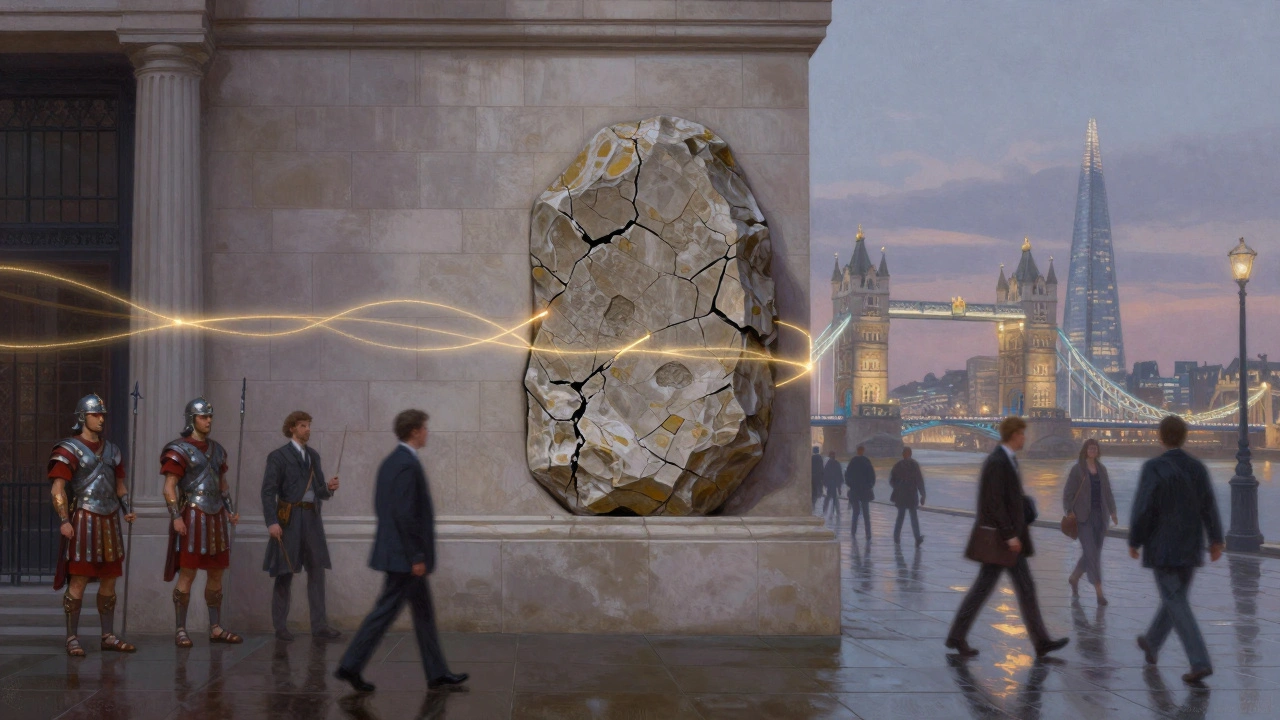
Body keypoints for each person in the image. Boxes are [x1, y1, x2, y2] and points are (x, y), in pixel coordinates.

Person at [335, 409, 467, 693]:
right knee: (384, 612)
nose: (427, 433)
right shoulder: (406, 464)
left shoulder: (391, 462)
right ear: (415, 431)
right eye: (425, 428)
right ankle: (350, 665)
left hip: (398, 553)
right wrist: (416, 557)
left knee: (423, 613)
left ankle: (437, 672)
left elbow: (386, 508)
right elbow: (405, 514)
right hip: (405, 558)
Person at [944, 416, 1069, 659]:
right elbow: (994, 503)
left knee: (1024, 588)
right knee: (987, 589)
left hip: (1010, 540)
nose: (1025, 438)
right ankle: (957, 636)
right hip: (1002, 541)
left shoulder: (1009, 460)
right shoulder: (997, 461)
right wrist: (1010, 535)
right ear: (1014, 435)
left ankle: (1041, 641)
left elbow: (1008, 498)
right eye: (1022, 434)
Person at [1129, 415, 1224, 685]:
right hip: (1191, 545)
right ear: (1184, 437)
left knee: (1175, 600)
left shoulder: (1154, 467)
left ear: (1161, 437)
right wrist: (1216, 539)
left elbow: (1144, 507)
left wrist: (1135, 540)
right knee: (1175, 597)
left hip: (1163, 546)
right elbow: (1209, 505)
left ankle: (1200, 661)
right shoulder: (1197, 468)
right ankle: (1152, 642)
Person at [47, 394, 137, 656]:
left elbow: (120, 487)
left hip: (110, 521)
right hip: (84, 519)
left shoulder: (113, 450)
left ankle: (107, 635)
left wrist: (127, 510)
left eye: (102, 415)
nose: (100, 419)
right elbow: (58, 489)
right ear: (82, 417)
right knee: (80, 580)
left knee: (109, 580)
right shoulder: (68, 449)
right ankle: (72, 637)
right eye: (95, 414)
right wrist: (64, 519)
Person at [162, 397, 242, 647]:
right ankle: (180, 629)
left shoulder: (218, 450)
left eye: (210, 416)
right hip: (192, 515)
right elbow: (169, 487)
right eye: (203, 417)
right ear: (191, 419)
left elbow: (222, 485)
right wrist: (176, 516)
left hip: (216, 516)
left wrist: (230, 510)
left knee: (216, 573)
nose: (208, 420)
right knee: (187, 573)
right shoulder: (178, 449)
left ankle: (215, 627)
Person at [261, 411, 342, 641]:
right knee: (285, 573)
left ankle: (320, 626)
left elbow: (319, 491)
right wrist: (272, 522)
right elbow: (268, 493)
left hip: (312, 521)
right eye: (303, 425)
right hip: (289, 522)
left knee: (317, 572)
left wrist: (329, 488)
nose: (308, 429)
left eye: (309, 425)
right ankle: (280, 627)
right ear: (292, 429)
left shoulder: (313, 456)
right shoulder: (278, 457)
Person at [1062, 438, 1117, 605]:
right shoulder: (1077, 470)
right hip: (1083, 518)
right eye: (1090, 448)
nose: (1092, 451)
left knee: (1092, 553)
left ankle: (1074, 577)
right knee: (1092, 553)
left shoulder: (1102, 469)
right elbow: (1068, 493)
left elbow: (1107, 492)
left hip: (1101, 517)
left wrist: (1113, 511)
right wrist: (1069, 511)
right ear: (1085, 450)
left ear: (1098, 451)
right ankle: (1099, 592)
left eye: (1095, 448)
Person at [889, 447, 926, 545]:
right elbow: (919, 481)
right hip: (910, 495)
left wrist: (898, 486)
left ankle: (897, 537)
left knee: (902, 517)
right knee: (912, 517)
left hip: (902, 495)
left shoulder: (898, 465)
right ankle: (916, 538)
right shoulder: (914, 465)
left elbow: (892, 481)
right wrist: (922, 494)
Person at [844, 445, 875, 541]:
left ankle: (853, 532)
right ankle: (868, 534)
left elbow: (847, 475)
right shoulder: (867, 461)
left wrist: (851, 485)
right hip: (865, 491)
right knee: (866, 514)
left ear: (857, 451)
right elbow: (872, 476)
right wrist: (869, 486)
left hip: (855, 491)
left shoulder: (853, 461)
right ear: (863, 451)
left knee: (856, 512)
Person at [821, 451, 843, 523]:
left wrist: (824, 484)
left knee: (829, 498)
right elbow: (839, 475)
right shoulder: (836, 464)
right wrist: (839, 486)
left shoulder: (828, 464)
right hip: (833, 484)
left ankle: (825, 511)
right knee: (834, 498)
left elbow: (825, 475)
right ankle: (836, 512)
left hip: (830, 484)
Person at [810, 446, 824, 512]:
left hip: (812, 477)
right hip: (818, 478)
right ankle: (814, 504)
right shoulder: (819, 458)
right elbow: (821, 469)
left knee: (813, 491)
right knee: (817, 492)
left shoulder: (812, 458)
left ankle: (813, 504)